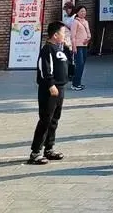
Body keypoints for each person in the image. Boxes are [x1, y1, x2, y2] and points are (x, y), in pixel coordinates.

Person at [28, 21, 73, 165]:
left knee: (54, 120)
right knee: (46, 119)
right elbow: (44, 68)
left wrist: (68, 49)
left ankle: (49, 148)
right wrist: (50, 84)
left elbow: (69, 65)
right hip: (50, 89)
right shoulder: (47, 49)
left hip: (61, 88)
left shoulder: (60, 49)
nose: (65, 35)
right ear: (55, 35)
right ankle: (35, 152)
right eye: (63, 33)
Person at [69, 5, 91, 90]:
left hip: (85, 46)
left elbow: (88, 33)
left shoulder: (86, 22)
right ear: (77, 12)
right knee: (79, 65)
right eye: (81, 11)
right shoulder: (75, 22)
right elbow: (73, 36)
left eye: (84, 11)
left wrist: (88, 39)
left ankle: (78, 82)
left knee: (82, 65)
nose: (83, 13)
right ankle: (75, 84)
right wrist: (74, 47)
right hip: (78, 46)